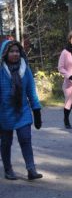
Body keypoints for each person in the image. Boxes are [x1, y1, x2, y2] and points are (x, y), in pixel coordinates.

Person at [0, 40, 43, 181]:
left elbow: (31, 91)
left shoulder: (25, 69)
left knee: (26, 139)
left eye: (17, 51)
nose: (15, 54)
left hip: (22, 111)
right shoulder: (1, 70)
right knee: (6, 143)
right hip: (4, 113)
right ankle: (8, 169)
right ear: (5, 54)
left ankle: (31, 169)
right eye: (12, 51)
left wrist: (36, 111)